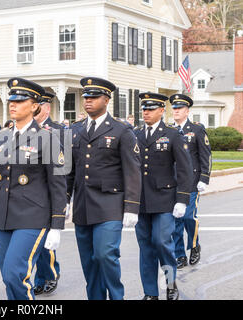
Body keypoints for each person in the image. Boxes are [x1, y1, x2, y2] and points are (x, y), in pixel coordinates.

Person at [0, 77, 67, 300]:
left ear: (34, 106)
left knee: (16, 274)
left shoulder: (48, 139)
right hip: (3, 216)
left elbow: (58, 186)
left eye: (20, 100)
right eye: (11, 100)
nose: (12, 104)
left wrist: (57, 225)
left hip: (33, 217)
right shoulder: (2, 137)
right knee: (8, 278)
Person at [66, 77, 142, 300]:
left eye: (93, 97)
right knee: (89, 262)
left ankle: (117, 296)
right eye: (85, 97)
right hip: (82, 205)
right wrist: (64, 199)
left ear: (106, 100)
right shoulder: (75, 129)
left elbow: (132, 170)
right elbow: (69, 170)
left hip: (110, 204)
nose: (87, 101)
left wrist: (132, 207)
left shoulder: (121, 130)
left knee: (104, 254)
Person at [134, 92, 193, 300]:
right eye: (144, 109)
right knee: (145, 248)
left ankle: (170, 283)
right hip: (140, 201)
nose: (146, 112)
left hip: (165, 199)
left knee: (161, 242)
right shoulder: (135, 134)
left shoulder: (173, 135)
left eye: (150, 109)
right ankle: (150, 292)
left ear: (161, 111)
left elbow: (185, 170)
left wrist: (182, 199)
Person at [170, 94, 211, 269]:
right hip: (173, 182)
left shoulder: (197, 129)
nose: (176, 111)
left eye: (179, 108)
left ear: (187, 111)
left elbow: (206, 155)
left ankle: (194, 246)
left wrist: (204, 178)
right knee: (175, 220)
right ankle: (179, 254)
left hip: (193, 181)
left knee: (188, 216)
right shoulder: (169, 131)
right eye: (174, 108)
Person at [32, 91, 64, 295]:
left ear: (47, 108)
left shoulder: (58, 131)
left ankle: (50, 274)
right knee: (34, 243)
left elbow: (64, 166)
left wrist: (64, 198)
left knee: (45, 243)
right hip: (31, 193)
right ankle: (39, 277)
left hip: (50, 192)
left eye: (38, 105)